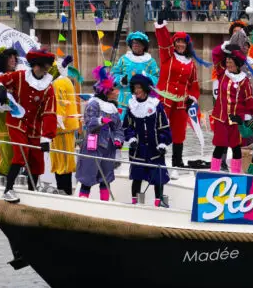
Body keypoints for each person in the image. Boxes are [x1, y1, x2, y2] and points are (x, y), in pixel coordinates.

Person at [0, 49, 58, 203]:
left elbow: (49, 112)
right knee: (21, 152)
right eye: (45, 65)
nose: (47, 68)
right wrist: (1, 89)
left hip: (34, 125)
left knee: (37, 159)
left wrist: (47, 136)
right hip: (17, 121)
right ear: (37, 65)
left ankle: (32, 191)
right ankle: (8, 190)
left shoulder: (48, 87)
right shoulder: (20, 76)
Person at [154, 18, 208, 168]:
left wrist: (192, 98)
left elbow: (193, 84)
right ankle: (158, 159)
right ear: (174, 43)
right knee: (160, 128)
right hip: (164, 99)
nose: (180, 44)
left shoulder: (191, 63)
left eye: (183, 42)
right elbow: (163, 42)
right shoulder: (168, 56)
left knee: (179, 131)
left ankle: (177, 161)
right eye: (178, 41)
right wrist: (161, 27)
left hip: (181, 102)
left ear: (187, 45)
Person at [123, 75, 172, 207]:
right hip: (138, 149)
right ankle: (135, 203)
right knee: (137, 177)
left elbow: (164, 126)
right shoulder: (131, 106)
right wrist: (131, 137)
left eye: (139, 87)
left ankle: (158, 203)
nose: (136, 90)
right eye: (134, 88)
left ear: (144, 89)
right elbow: (127, 126)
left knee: (158, 178)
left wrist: (162, 142)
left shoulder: (156, 105)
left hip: (154, 148)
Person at [77, 66, 124, 200]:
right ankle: (82, 204)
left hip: (108, 149)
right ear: (107, 91)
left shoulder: (113, 108)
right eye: (115, 88)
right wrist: (100, 120)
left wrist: (118, 139)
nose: (117, 91)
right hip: (93, 147)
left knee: (106, 180)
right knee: (87, 178)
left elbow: (118, 128)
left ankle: (105, 205)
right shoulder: (93, 104)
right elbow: (89, 124)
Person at [210, 44, 253, 173]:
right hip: (221, 117)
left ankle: (236, 173)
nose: (228, 64)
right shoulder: (221, 73)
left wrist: (248, 115)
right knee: (219, 146)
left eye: (231, 62)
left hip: (236, 119)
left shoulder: (244, 80)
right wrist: (223, 46)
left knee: (236, 147)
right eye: (227, 62)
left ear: (237, 63)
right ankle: (214, 172)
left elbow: (248, 98)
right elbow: (215, 54)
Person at [50, 56, 81, 195]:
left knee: (61, 161)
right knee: (63, 159)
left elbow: (60, 103)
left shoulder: (58, 83)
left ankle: (64, 191)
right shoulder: (66, 80)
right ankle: (63, 189)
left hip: (61, 128)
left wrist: (58, 120)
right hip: (66, 127)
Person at [111, 32, 160, 119]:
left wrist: (147, 77)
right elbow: (113, 74)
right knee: (122, 127)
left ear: (143, 46)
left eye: (138, 43)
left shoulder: (150, 61)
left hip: (143, 100)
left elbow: (157, 78)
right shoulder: (123, 59)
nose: (135, 45)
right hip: (124, 101)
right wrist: (120, 80)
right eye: (133, 43)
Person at [0, 47, 19, 176]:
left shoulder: (14, 76)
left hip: (16, 121)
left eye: (14, 57)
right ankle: (5, 179)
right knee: (8, 154)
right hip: (5, 122)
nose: (13, 60)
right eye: (10, 57)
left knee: (15, 154)